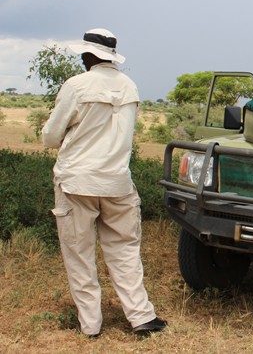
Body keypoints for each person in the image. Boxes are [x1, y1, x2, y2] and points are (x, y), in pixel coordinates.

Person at [42, 28, 166, 337]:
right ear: (111, 55)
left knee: (79, 254)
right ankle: (141, 317)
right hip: (117, 182)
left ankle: (91, 325)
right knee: (125, 250)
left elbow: (49, 137)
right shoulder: (129, 86)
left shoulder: (77, 85)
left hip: (77, 181)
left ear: (88, 55)